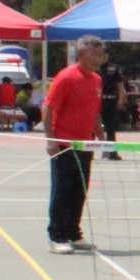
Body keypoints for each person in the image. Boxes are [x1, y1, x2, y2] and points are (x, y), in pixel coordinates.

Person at [43, 35, 106, 253]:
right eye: (94, 53)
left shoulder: (97, 80)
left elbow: (95, 111)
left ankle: (73, 232)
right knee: (62, 190)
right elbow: (48, 107)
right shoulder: (66, 77)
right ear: (80, 54)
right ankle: (56, 237)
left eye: (101, 53)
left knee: (80, 190)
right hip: (64, 143)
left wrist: (101, 136)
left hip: (85, 144)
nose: (99, 58)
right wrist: (51, 140)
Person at [97, 54, 126, 160]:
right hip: (97, 100)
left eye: (104, 54)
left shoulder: (113, 68)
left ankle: (112, 152)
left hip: (110, 101)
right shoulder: (94, 67)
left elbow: (120, 86)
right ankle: (88, 152)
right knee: (92, 127)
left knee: (110, 128)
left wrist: (120, 100)